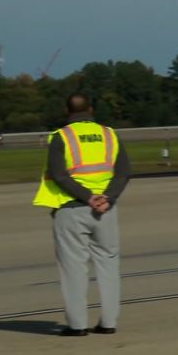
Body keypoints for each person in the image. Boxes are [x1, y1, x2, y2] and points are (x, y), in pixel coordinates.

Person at [32, 93, 131, 336]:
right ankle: (108, 322)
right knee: (108, 263)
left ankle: (77, 325)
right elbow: (124, 172)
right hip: (106, 210)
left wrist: (88, 197)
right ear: (92, 109)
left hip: (71, 208)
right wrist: (106, 197)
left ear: (68, 112)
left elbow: (59, 174)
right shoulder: (110, 134)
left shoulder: (62, 137)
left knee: (73, 268)